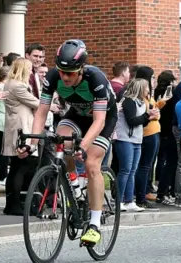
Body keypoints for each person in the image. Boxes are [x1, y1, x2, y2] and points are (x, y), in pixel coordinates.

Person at [17, 39, 117, 246]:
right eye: (62, 72)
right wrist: (32, 143)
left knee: (91, 164)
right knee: (61, 139)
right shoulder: (53, 76)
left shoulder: (95, 78)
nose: (65, 77)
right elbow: (41, 112)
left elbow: (99, 121)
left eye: (70, 73)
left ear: (81, 69)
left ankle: (95, 225)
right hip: (77, 115)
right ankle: (74, 184)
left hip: (103, 118)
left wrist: (84, 146)